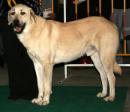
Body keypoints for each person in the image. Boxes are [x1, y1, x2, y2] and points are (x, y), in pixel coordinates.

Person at [0, 0, 38, 100]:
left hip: (26, 16)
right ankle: (15, 91)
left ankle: (32, 91)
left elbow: (33, 4)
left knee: (28, 55)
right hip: (6, 17)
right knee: (11, 55)